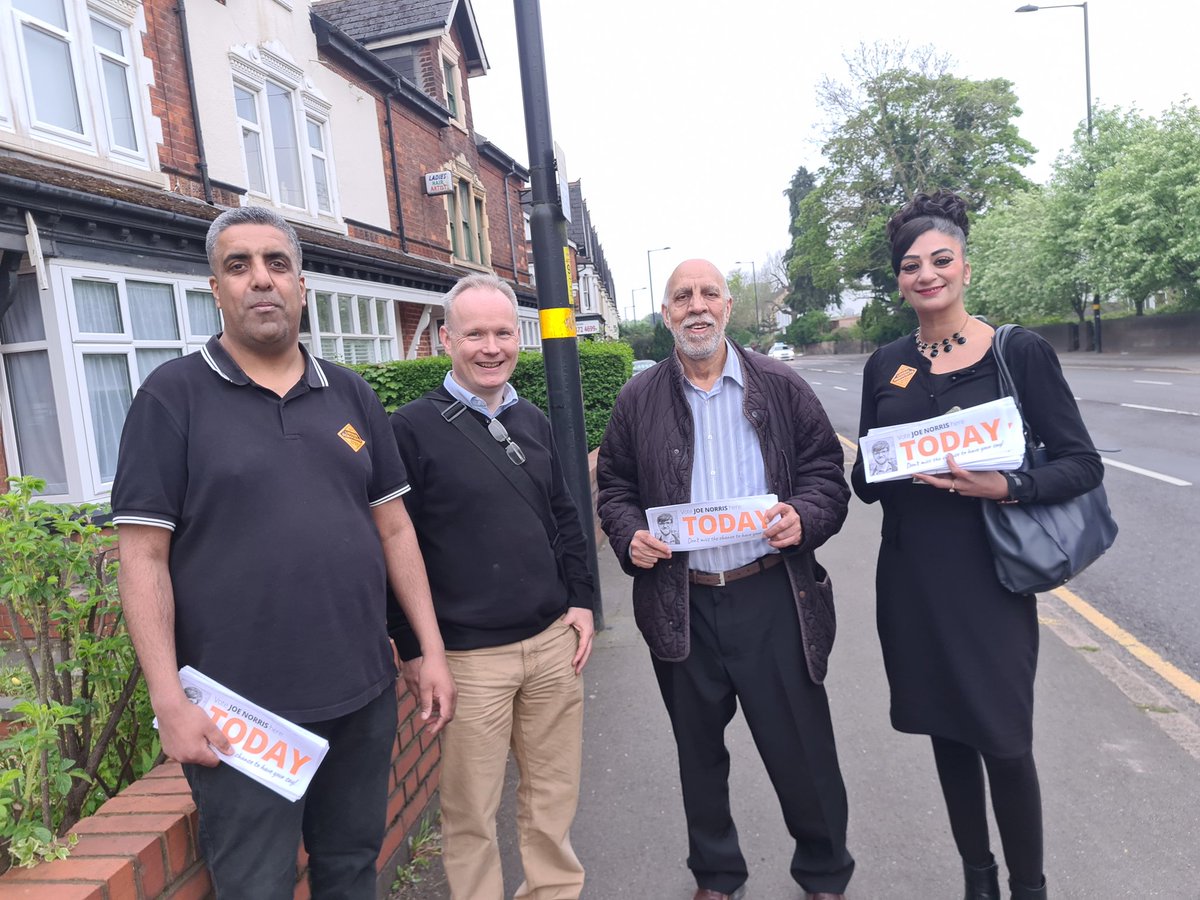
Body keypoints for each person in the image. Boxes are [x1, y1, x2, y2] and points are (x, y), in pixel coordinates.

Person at [111, 206, 455, 900]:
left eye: (276, 264)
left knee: (351, 871)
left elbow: (395, 531)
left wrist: (430, 649)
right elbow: (142, 558)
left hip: (361, 696)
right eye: (238, 266)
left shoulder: (350, 393)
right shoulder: (170, 398)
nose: (260, 280)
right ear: (216, 289)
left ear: (302, 285)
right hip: (241, 718)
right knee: (257, 887)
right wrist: (167, 698)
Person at [851, 190, 1104, 900]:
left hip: (990, 578)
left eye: (939, 259)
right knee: (946, 732)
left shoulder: (1017, 352)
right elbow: (865, 480)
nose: (925, 274)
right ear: (898, 280)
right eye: (910, 266)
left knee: (1003, 738)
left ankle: (1029, 888)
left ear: (964, 264)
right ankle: (978, 881)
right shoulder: (888, 365)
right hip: (910, 578)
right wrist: (883, 461)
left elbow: (1082, 464)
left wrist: (1008, 487)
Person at [597, 258, 854, 900]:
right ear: (666, 314)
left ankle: (823, 872)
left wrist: (807, 515)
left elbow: (827, 471)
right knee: (699, 756)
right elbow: (617, 487)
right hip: (683, 601)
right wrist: (629, 535)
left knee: (801, 748)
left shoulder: (780, 384)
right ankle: (716, 874)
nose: (696, 306)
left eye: (709, 293)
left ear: (728, 306)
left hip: (772, 593)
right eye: (682, 296)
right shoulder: (639, 398)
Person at [387, 273, 595, 900]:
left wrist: (582, 600)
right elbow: (396, 547)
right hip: (470, 660)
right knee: (471, 813)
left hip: (552, 646)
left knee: (552, 797)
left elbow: (565, 514)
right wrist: (417, 651)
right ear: (446, 338)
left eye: (503, 332)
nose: (491, 346)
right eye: (474, 333)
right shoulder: (411, 429)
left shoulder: (531, 418)